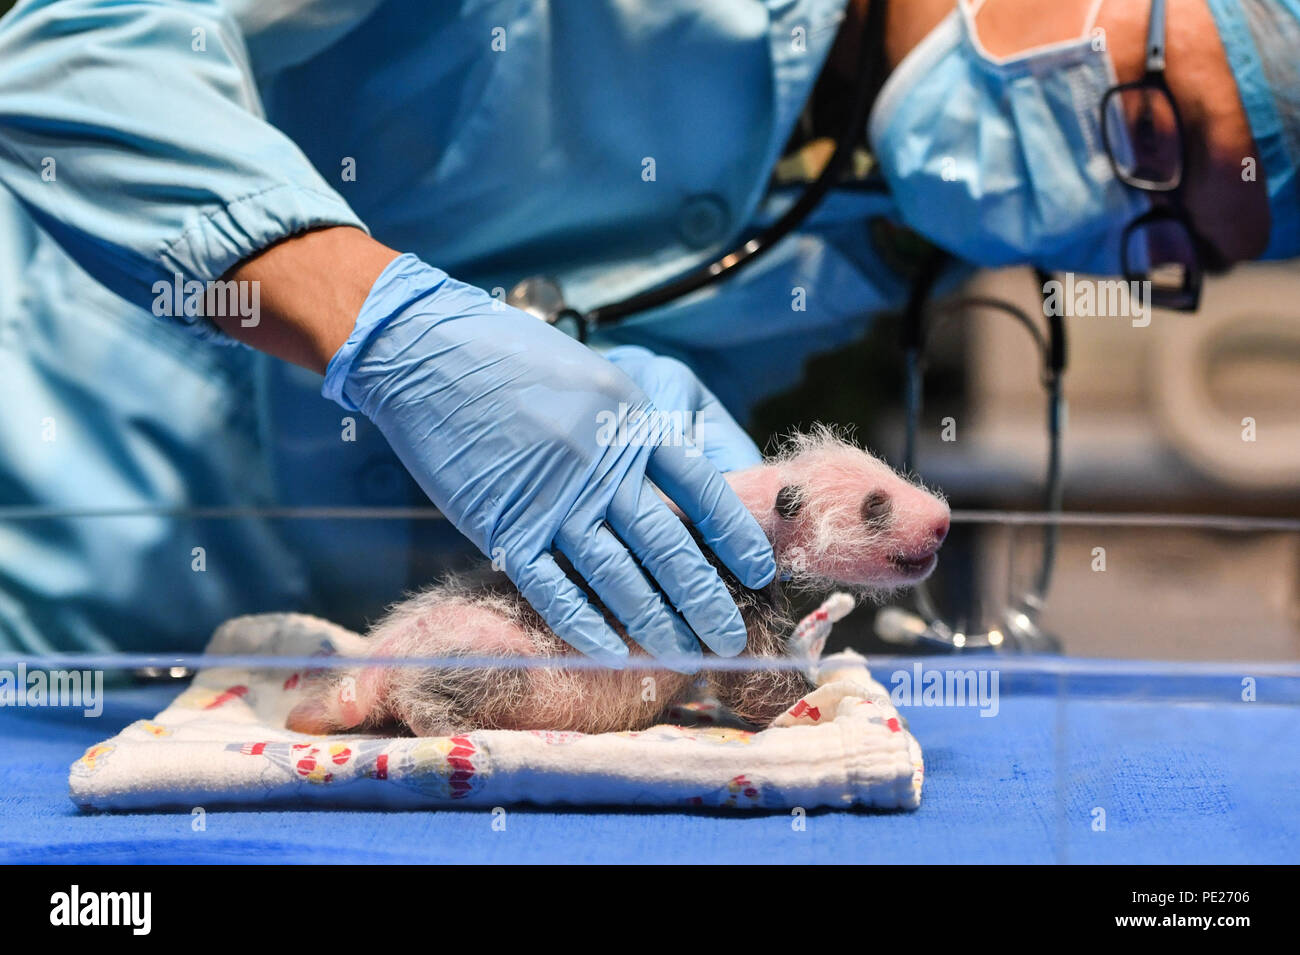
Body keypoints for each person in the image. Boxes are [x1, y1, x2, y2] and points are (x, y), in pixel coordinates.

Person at [0, 0, 1294, 658]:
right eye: (1152, 132)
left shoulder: (873, 225)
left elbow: (526, 498)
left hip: (289, 691)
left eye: (1174, 248)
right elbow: (66, 45)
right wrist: (386, 328)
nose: (1101, 218)